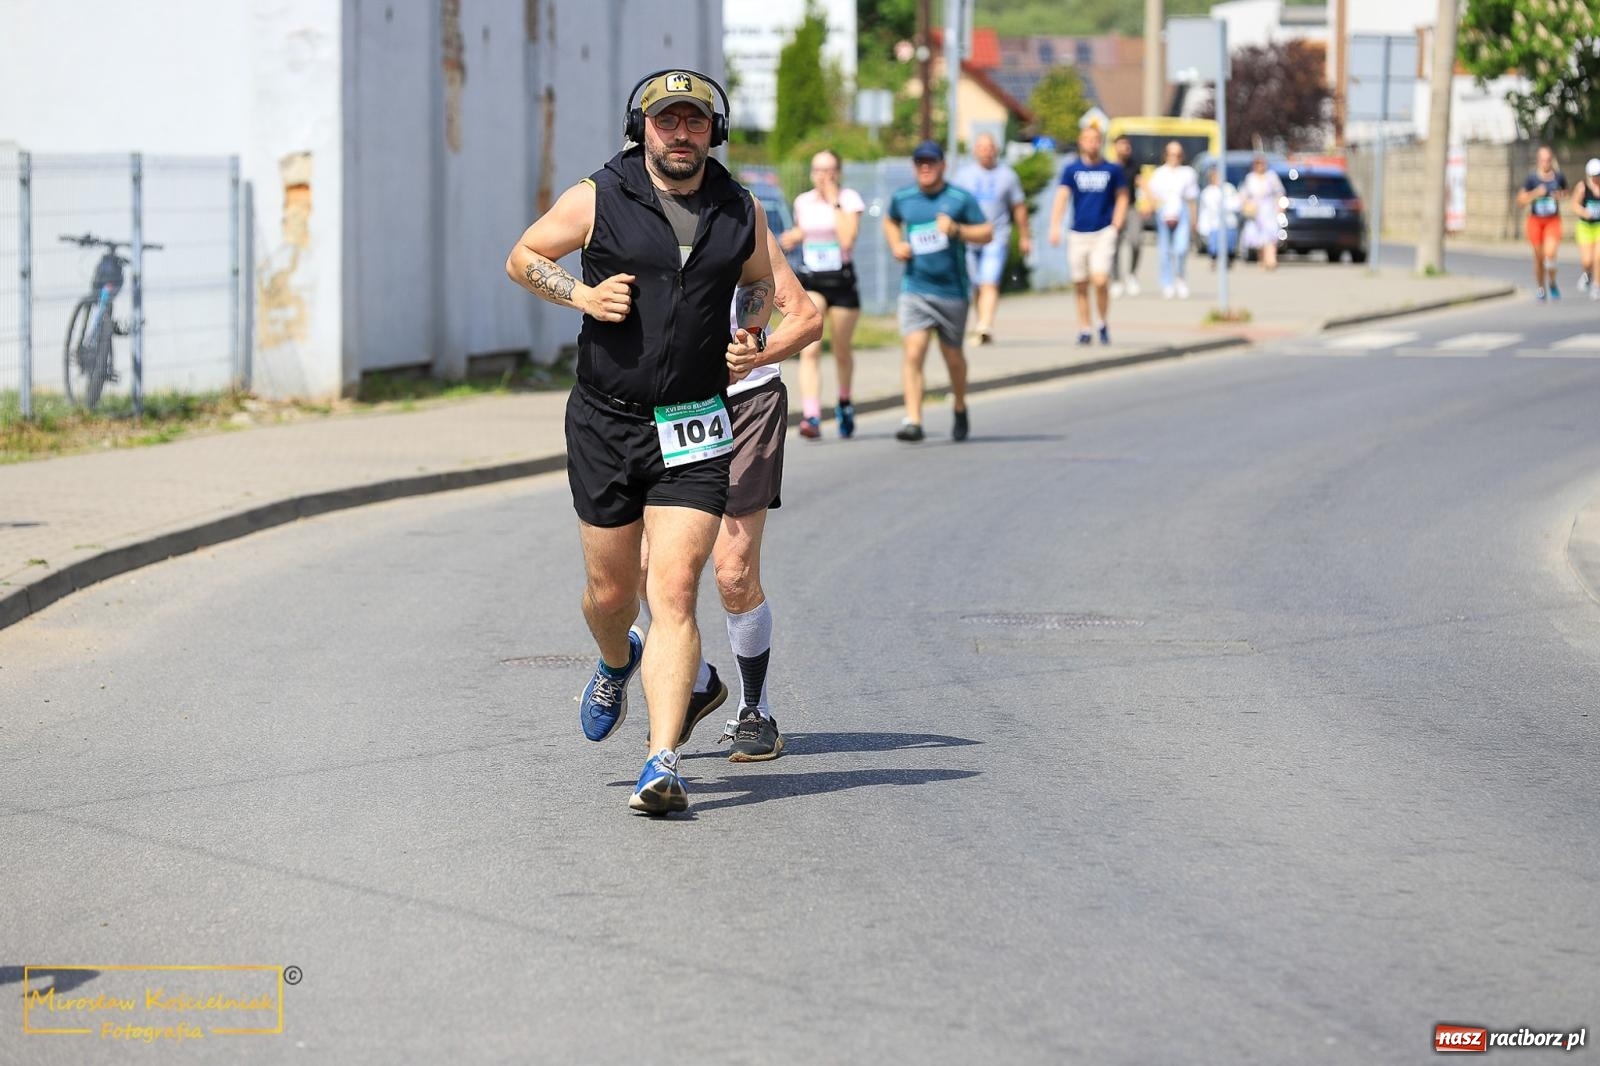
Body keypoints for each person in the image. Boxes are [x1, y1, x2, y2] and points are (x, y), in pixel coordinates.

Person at [504, 69, 774, 815]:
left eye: (694, 122)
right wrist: (582, 295)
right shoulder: (598, 195)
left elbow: (758, 282)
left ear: (712, 132)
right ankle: (613, 659)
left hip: (694, 422)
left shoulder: (738, 207)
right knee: (610, 595)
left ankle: (662, 762)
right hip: (606, 420)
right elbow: (524, 255)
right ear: (642, 128)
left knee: (675, 590)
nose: (681, 134)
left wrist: (752, 326)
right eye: (667, 122)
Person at [640, 228, 823, 762]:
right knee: (653, 564)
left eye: (695, 134)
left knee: (733, 570)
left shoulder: (743, 225)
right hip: (674, 410)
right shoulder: (634, 220)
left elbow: (806, 319)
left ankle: (755, 710)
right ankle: (697, 681)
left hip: (747, 403)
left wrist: (758, 348)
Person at [882, 139, 992, 443]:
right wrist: (896, 245)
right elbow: (890, 221)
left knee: (952, 357)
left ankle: (959, 405)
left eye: (931, 162)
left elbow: (986, 232)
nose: (925, 167)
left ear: (943, 165)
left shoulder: (959, 198)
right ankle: (913, 420)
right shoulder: (904, 197)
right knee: (914, 351)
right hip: (915, 288)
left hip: (952, 291)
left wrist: (957, 230)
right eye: (920, 162)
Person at [779, 150, 865, 440]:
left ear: (838, 172)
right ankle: (811, 415)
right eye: (817, 170)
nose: (822, 176)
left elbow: (848, 238)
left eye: (828, 170)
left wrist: (834, 200)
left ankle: (844, 401)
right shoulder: (803, 202)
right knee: (810, 347)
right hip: (812, 279)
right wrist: (795, 236)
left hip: (841, 280)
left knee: (841, 350)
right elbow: (803, 231)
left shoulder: (849, 199)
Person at [1048, 124, 1128, 346]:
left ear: (1100, 142)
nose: (1092, 143)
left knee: (1100, 279)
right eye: (1088, 139)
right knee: (1080, 283)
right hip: (1078, 232)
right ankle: (1084, 327)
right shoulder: (1072, 169)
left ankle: (1102, 321)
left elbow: (1122, 195)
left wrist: (1117, 223)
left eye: (1096, 139)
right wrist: (1054, 225)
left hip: (1103, 231)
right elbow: (1062, 196)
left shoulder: (1112, 170)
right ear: (1081, 142)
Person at [951, 132, 1031, 344]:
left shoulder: (1007, 175)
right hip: (969, 237)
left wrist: (1024, 236)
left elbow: (1019, 207)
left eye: (990, 147)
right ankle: (980, 324)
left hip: (996, 236)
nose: (986, 152)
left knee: (989, 281)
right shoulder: (964, 175)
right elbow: (953, 205)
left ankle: (985, 324)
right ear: (975, 150)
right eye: (982, 147)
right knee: (976, 284)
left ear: (996, 150)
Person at [1147, 141, 1199, 298]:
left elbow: (1191, 198)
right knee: (1165, 250)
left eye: (1177, 154)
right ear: (1166, 155)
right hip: (1164, 210)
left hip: (1181, 209)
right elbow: (1151, 193)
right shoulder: (1159, 173)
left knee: (1181, 248)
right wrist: (1154, 207)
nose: (1174, 157)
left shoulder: (1187, 173)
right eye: (1171, 154)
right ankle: (1167, 282)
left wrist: (1194, 219)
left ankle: (1180, 278)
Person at [1518, 145, 1567, 301]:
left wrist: (1559, 195)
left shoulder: (1558, 177)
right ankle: (1541, 287)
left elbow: (1566, 193)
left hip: (1552, 220)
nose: (1545, 163)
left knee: (1550, 254)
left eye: (1548, 160)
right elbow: (1520, 200)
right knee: (1539, 257)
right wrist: (1535, 193)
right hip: (1536, 221)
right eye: (1542, 160)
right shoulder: (1532, 178)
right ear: (1538, 161)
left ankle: (1552, 282)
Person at [1110, 134, 1144, 297]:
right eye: (1122, 144)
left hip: (1131, 207)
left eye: (1127, 145)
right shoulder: (1109, 166)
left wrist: (1150, 200)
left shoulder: (1134, 165)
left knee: (1136, 241)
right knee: (1113, 246)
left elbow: (1140, 181)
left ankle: (1131, 275)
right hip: (1113, 208)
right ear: (1115, 147)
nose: (1125, 148)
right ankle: (1116, 279)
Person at [1240, 155, 1285, 270]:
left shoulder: (1271, 177)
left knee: (1271, 236)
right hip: (1256, 212)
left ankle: (1271, 260)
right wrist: (1246, 204)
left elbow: (1279, 193)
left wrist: (1280, 207)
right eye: (1258, 164)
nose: (1260, 166)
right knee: (1258, 238)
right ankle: (1262, 259)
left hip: (1269, 210)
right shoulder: (1250, 178)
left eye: (1262, 163)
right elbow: (1243, 194)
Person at [1196, 165, 1241, 267]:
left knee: (1229, 242)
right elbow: (1206, 210)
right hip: (1214, 223)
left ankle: (1228, 259)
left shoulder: (1228, 188)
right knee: (1215, 244)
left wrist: (1226, 206)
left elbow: (1236, 203)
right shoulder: (1207, 192)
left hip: (1229, 222)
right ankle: (1215, 259)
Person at [1569, 157, 1600, 300]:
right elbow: (1574, 205)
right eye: (1594, 176)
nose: (1596, 178)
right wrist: (1584, 213)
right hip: (1585, 227)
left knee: (1598, 257)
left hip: (1599, 226)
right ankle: (1587, 274)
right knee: (1587, 261)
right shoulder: (1582, 187)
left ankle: (1596, 286)